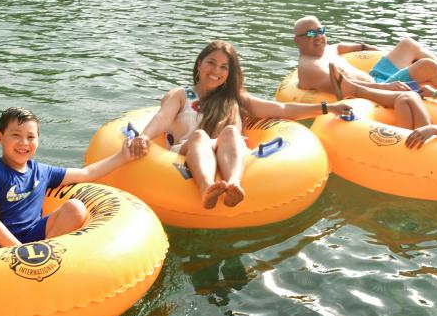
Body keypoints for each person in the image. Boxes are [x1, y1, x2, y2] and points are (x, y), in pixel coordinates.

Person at [128, 40, 352, 210]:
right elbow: (162, 118)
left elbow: (283, 110)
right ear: (199, 64)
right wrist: (145, 137)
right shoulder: (180, 95)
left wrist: (327, 108)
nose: (216, 71)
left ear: (229, 73)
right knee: (200, 137)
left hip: (229, 151)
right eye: (211, 63)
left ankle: (234, 185)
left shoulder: (236, 98)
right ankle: (207, 188)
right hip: (188, 151)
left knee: (231, 132)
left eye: (224, 67)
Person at [0, 107, 132, 251]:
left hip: (34, 238)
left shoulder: (42, 172)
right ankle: (31, 262)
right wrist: (21, 252)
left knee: (75, 208)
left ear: (38, 141)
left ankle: (45, 260)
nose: (24, 143)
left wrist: (123, 157)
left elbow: (86, 174)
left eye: (30, 137)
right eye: (16, 135)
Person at [294, 15, 437, 129]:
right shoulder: (310, 68)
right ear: (298, 41)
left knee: (407, 44)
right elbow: (345, 87)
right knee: (426, 66)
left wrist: (365, 47)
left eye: (320, 31)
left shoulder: (327, 49)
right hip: (375, 88)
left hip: (375, 77)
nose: (318, 37)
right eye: (310, 34)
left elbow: (340, 46)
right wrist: (386, 88)